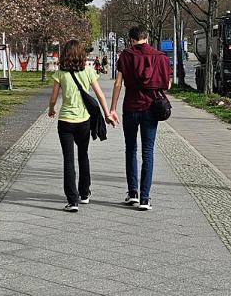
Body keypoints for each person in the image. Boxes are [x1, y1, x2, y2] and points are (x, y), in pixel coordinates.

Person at [48, 40, 116, 211]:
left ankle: (72, 201)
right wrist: (107, 114)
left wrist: (51, 109)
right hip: (84, 121)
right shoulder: (88, 71)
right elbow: (100, 95)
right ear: (81, 54)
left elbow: (54, 97)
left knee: (68, 160)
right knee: (83, 155)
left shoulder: (60, 73)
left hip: (65, 121)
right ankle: (84, 194)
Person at [110, 25, 170, 211]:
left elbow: (118, 84)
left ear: (131, 39)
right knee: (148, 151)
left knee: (130, 149)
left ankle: (133, 193)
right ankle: (145, 198)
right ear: (147, 37)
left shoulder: (125, 56)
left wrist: (112, 108)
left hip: (130, 107)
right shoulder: (160, 57)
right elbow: (167, 84)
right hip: (151, 108)